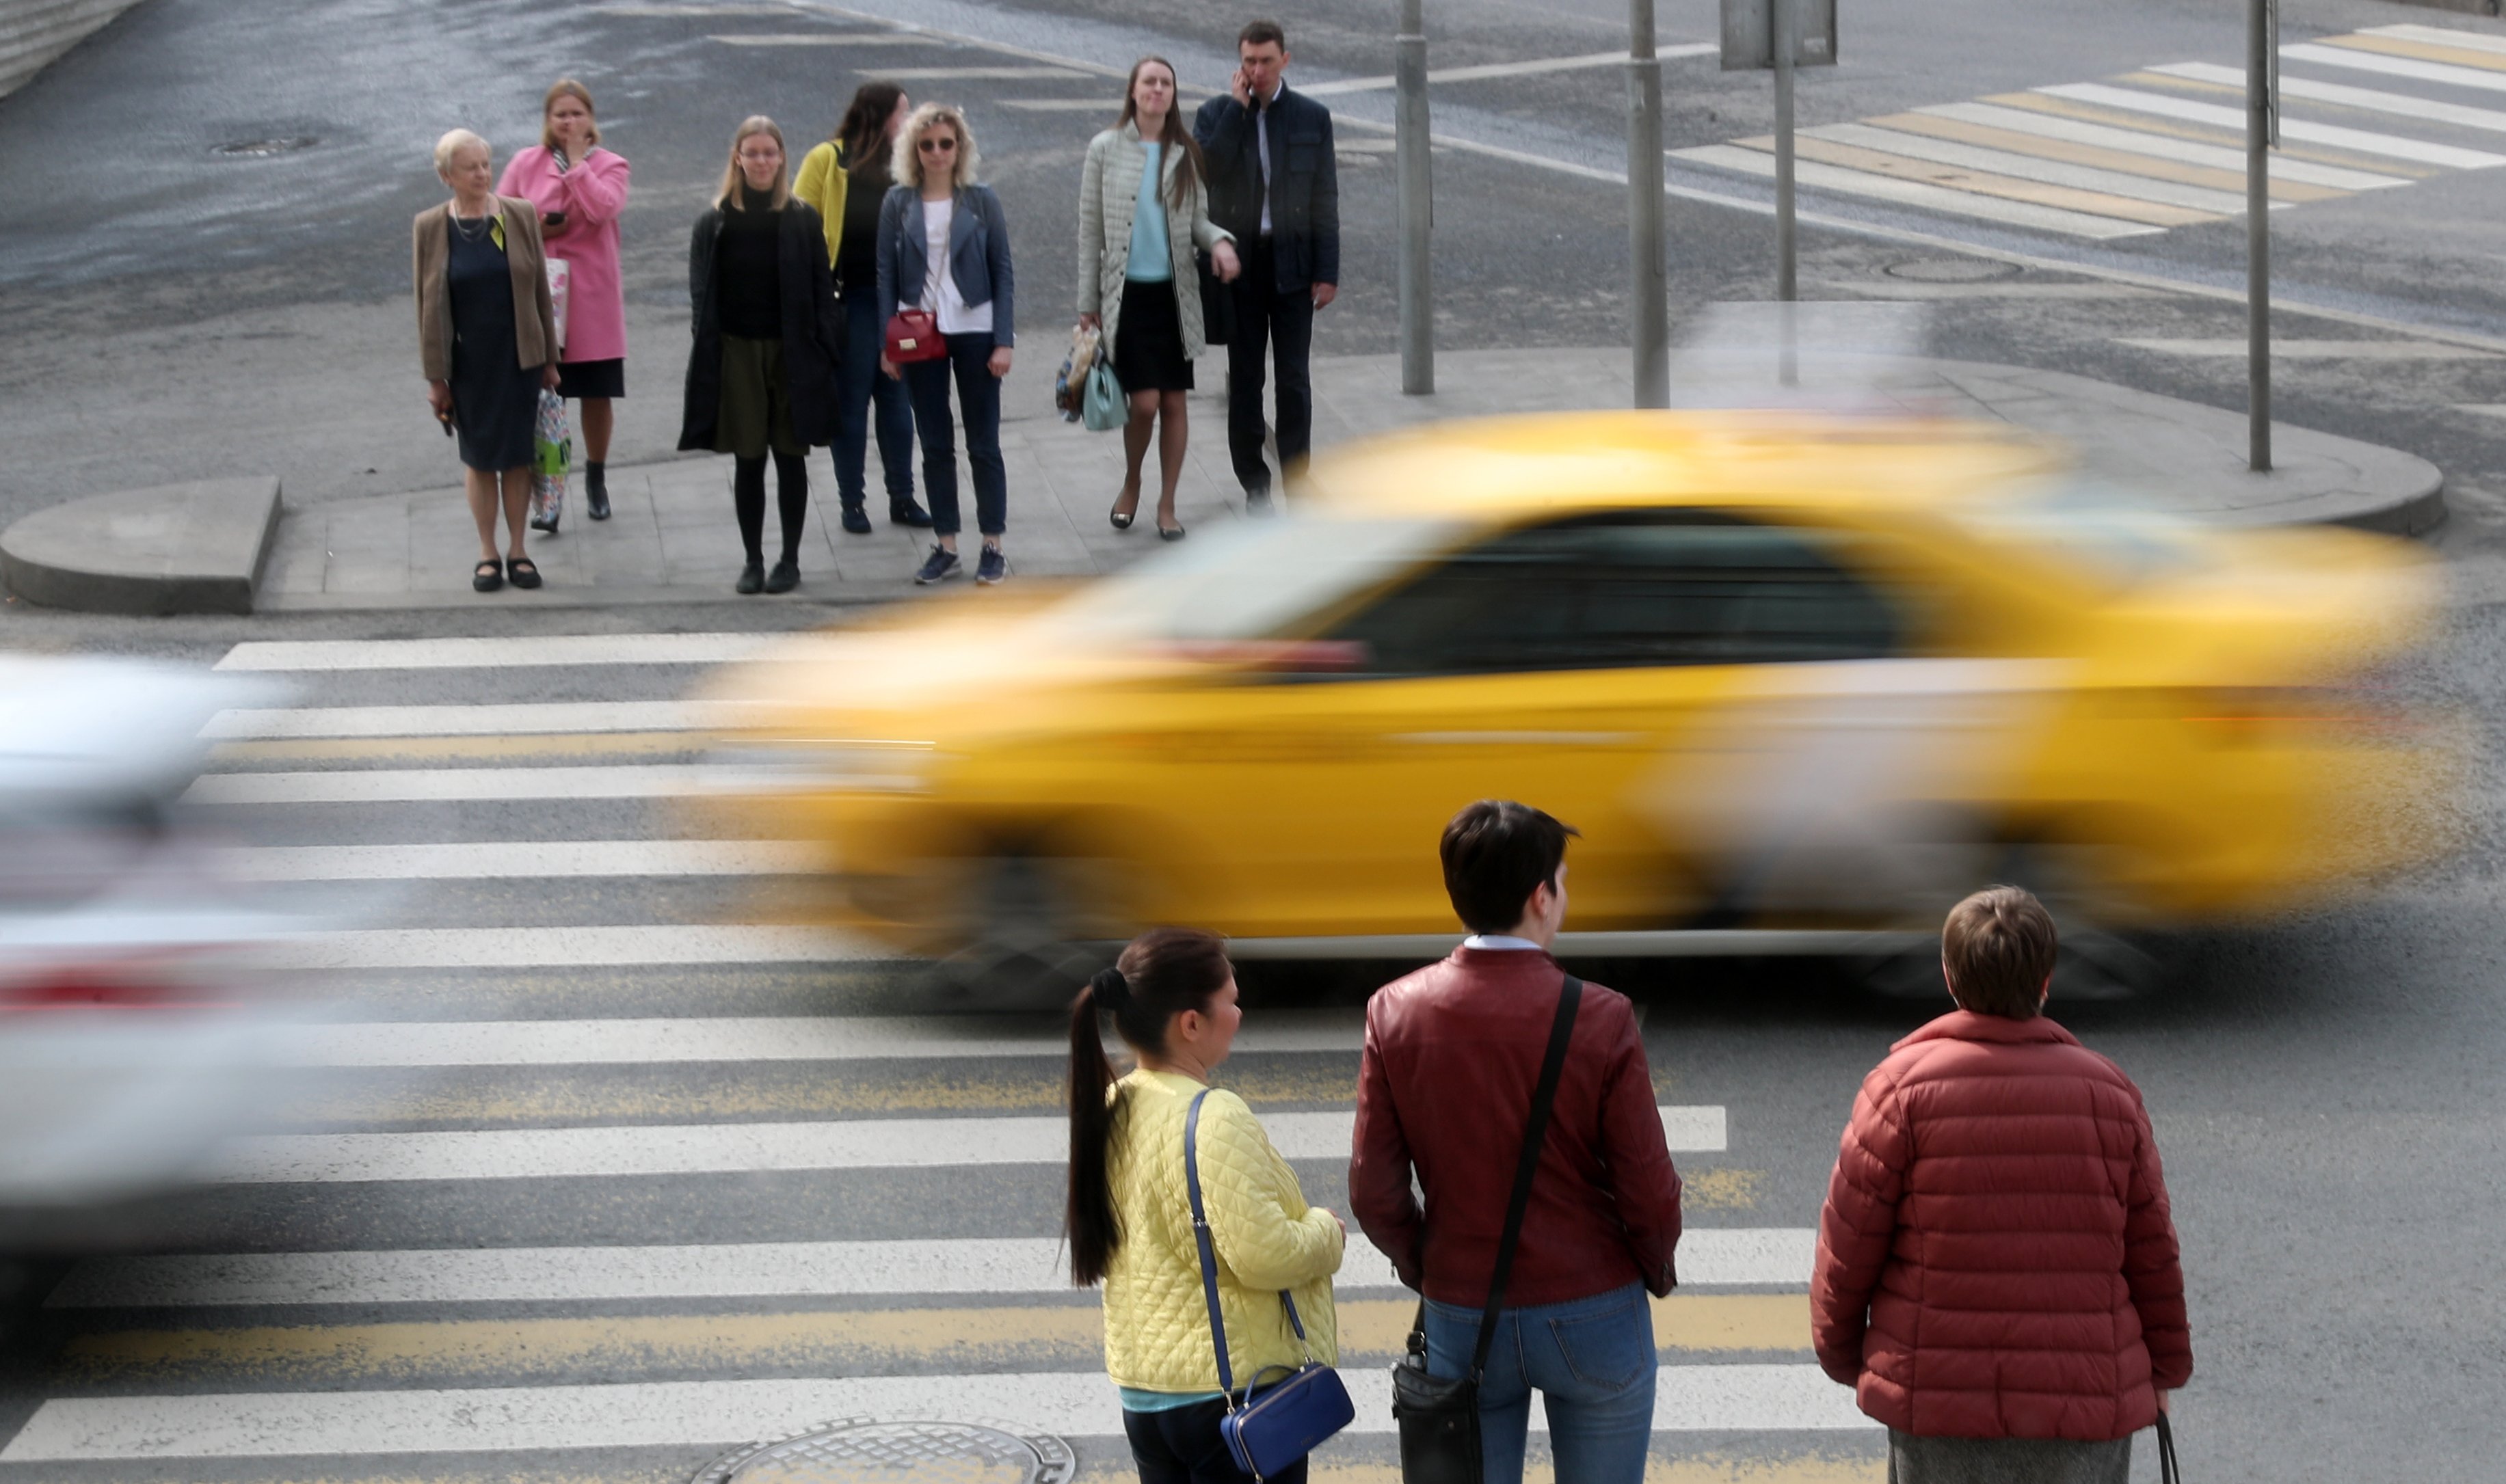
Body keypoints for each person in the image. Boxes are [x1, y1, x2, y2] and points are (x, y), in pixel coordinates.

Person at [1810, 886, 2191, 1484]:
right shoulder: (2108, 1095)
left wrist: (1841, 1353)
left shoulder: (1899, 1093)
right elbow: (2150, 1250)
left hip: (1937, 1401)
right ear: (2046, 979)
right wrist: (2163, 1371)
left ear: (1948, 976)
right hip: (2082, 1403)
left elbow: (1849, 1242)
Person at [1350, 800, 1682, 1484]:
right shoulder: (1600, 1015)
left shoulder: (1394, 1010)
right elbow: (1646, 1185)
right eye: (1561, 879)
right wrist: (1654, 1267)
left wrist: (1430, 1266)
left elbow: (1373, 1191)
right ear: (1540, 895)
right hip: (1592, 1302)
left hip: (1462, 1310)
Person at [1067, 927, 1345, 1484]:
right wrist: (1325, 1231)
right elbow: (1264, 1254)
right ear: (1190, 1023)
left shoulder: (1114, 1103)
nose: (1239, 1014)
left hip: (1145, 1393)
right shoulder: (1215, 1115)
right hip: (1228, 1398)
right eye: (1231, 1001)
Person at [678, 116, 845, 595]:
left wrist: (823, 347)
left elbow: (820, 286)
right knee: (748, 459)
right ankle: (752, 559)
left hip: (791, 352)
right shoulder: (713, 222)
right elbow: (699, 290)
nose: (761, 161)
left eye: (769, 153)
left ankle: (789, 561)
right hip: (738, 353)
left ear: (781, 158)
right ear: (738, 158)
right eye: (752, 153)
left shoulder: (800, 217)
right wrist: (705, 338)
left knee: (790, 456)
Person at [1079, 57, 1240, 542]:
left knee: (1173, 401)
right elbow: (1090, 231)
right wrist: (1087, 302)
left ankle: (1167, 504)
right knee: (1143, 402)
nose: (1157, 89)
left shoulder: (1183, 154)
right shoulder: (1104, 149)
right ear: (1132, 91)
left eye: (1165, 83)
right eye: (1148, 82)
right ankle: (1132, 480)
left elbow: (1197, 222)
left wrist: (1220, 242)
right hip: (1125, 298)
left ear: (1173, 94)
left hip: (1173, 296)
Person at [1194, 19, 1338, 516]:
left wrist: (1328, 269)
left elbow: (1324, 196)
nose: (1255, 71)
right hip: (1241, 267)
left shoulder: (1310, 117)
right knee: (1246, 379)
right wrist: (1237, 111)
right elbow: (1204, 174)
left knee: (1294, 380)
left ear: (1285, 61)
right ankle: (1255, 484)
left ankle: (1298, 478)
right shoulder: (1215, 113)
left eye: (1265, 62)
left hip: (1293, 264)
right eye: (1248, 62)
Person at [414, 128, 561, 594]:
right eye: (470, 167)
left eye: (485, 163)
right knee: (479, 461)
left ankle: (518, 550)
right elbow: (426, 305)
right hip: (469, 364)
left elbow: (540, 290)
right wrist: (437, 378)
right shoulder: (431, 227)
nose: (482, 173)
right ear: (446, 177)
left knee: (517, 458)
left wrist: (550, 360)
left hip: (519, 357)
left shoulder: (518, 215)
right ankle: (487, 552)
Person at [877, 104, 1015, 586]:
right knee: (934, 442)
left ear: (960, 149)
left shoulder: (981, 200)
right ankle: (947, 543)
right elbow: (885, 275)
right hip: (919, 332)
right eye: (926, 144)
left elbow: (1002, 270)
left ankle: (993, 544)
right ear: (914, 151)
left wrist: (1004, 340)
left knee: (983, 442)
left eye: (945, 144)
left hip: (975, 327)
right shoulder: (898, 202)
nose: (937, 152)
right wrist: (886, 344)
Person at [793, 83, 931, 535]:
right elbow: (798, 226)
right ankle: (852, 501)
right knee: (851, 404)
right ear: (879, 116)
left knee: (896, 402)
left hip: (899, 304)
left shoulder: (908, 165)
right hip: (849, 300)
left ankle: (903, 497)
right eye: (903, 112)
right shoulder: (827, 160)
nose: (909, 121)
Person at [497, 79, 630, 528]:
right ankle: (549, 494)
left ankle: (596, 478)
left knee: (595, 393)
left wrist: (577, 165)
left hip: (591, 299)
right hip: (539, 297)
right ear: (548, 121)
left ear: (590, 119)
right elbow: (501, 221)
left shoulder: (611, 164)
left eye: (577, 114)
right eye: (561, 115)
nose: (569, 122)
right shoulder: (525, 162)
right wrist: (540, 229)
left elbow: (601, 209)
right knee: (544, 401)